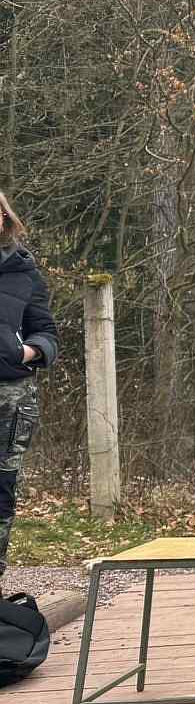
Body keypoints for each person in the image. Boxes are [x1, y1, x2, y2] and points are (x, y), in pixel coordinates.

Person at [0, 192, 56, 581]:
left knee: (2, 492)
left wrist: (26, 351)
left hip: (11, 399)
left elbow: (46, 331)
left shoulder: (24, 271)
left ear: (4, 219)